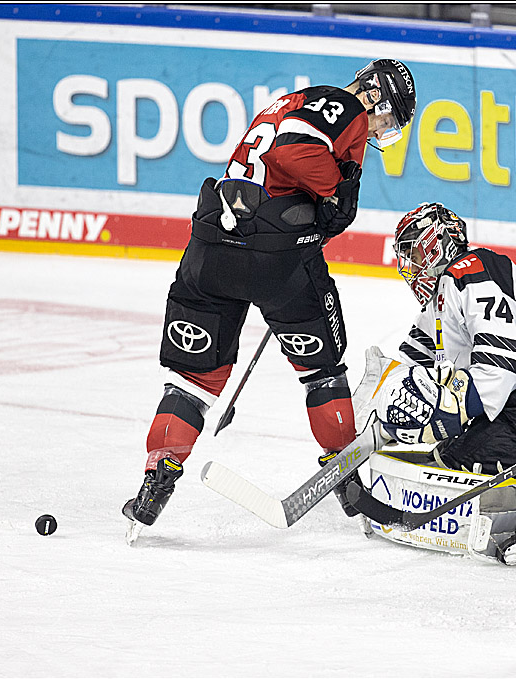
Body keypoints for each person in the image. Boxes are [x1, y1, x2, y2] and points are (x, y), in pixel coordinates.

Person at [122, 59, 417, 531]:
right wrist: (335, 192)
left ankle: (157, 480)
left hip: (212, 245)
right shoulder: (346, 107)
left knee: (193, 379)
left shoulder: (289, 103)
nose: (383, 129)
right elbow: (291, 155)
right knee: (322, 371)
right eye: (390, 118)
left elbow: (271, 161)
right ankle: (349, 482)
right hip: (275, 255)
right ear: (376, 96)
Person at [352, 202, 516, 564]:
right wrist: (381, 411)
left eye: (414, 252)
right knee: (447, 458)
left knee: (468, 464)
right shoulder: (440, 299)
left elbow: (507, 358)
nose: (408, 266)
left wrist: (452, 408)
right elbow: (412, 367)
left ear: (438, 242)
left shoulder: (474, 269)